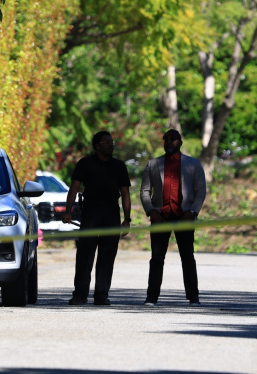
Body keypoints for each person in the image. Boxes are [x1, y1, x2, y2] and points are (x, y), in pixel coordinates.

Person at [62, 131, 132, 306]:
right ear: (97, 145)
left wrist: (127, 219)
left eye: (112, 142)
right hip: (90, 210)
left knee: (107, 256)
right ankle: (80, 294)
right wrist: (68, 211)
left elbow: (125, 193)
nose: (111, 145)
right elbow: (74, 188)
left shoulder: (119, 166)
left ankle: (101, 294)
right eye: (107, 142)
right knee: (85, 254)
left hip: (111, 212)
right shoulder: (85, 163)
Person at [140, 129, 207, 306]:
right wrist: (151, 211)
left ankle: (193, 297)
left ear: (180, 142)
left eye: (173, 139)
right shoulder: (153, 164)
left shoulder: (193, 164)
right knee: (156, 258)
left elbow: (200, 191)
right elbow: (145, 191)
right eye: (166, 139)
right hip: (160, 217)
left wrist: (192, 212)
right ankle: (151, 298)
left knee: (187, 257)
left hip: (184, 216)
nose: (169, 142)